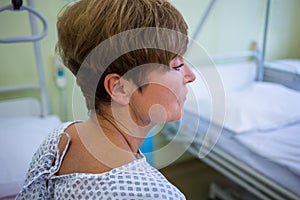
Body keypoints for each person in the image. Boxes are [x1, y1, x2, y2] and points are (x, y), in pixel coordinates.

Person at [17, 0, 195, 199]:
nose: (190, 76)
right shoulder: (155, 194)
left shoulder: (59, 140)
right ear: (120, 88)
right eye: (177, 65)